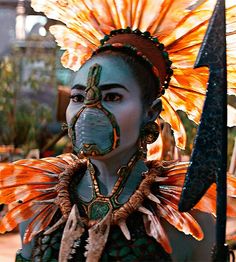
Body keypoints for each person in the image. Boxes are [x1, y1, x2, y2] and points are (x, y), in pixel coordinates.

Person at [0, 0, 236, 261]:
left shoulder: (185, 214)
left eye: (112, 97)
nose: (89, 112)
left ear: (151, 112)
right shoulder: (38, 204)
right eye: (78, 98)